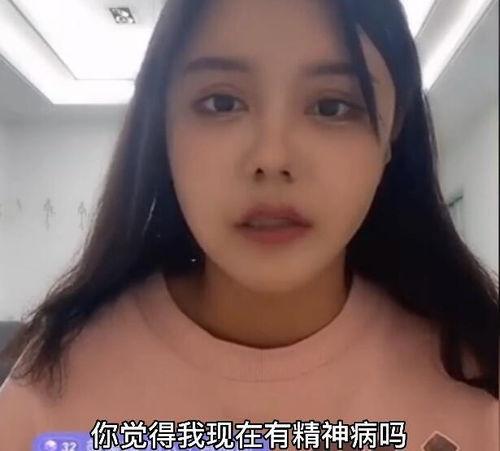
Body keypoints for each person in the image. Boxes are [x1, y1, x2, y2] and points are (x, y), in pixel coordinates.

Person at [0, 0, 498, 450]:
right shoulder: (52, 389)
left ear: (392, 132)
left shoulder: (474, 388)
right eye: (222, 103)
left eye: (331, 106)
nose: (272, 158)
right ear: (165, 126)